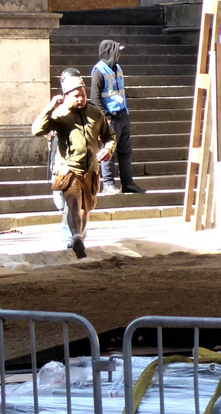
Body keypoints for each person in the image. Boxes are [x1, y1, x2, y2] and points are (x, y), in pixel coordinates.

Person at [34, 69, 115, 258]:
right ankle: (74, 237)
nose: (81, 99)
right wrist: (50, 107)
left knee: (86, 209)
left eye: (83, 94)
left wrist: (109, 148)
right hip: (69, 169)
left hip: (92, 169)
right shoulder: (60, 115)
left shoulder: (95, 113)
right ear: (67, 96)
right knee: (72, 204)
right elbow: (37, 130)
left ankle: (79, 239)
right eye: (76, 96)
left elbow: (109, 135)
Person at [90, 40, 142, 194]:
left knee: (126, 151)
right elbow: (95, 98)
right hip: (110, 118)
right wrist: (105, 117)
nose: (119, 55)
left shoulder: (117, 68)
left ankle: (127, 183)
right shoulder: (99, 71)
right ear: (109, 52)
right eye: (117, 51)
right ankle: (108, 183)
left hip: (122, 115)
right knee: (108, 151)